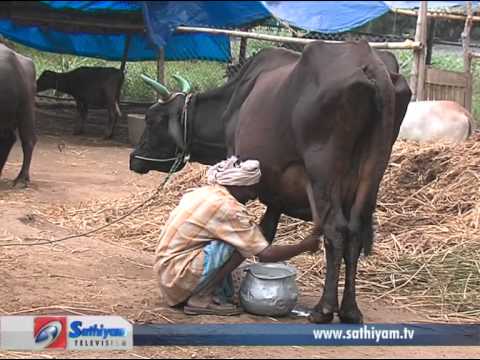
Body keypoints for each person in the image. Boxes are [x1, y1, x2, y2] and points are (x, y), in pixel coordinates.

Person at [153, 156, 319, 316]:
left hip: (168, 275)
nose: (253, 196)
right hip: (179, 278)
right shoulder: (229, 209)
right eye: (252, 189)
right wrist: (304, 245)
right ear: (241, 186)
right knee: (240, 246)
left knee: (244, 238)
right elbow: (266, 254)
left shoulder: (205, 192)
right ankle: (202, 298)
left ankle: (202, 290)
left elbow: (255, 234)